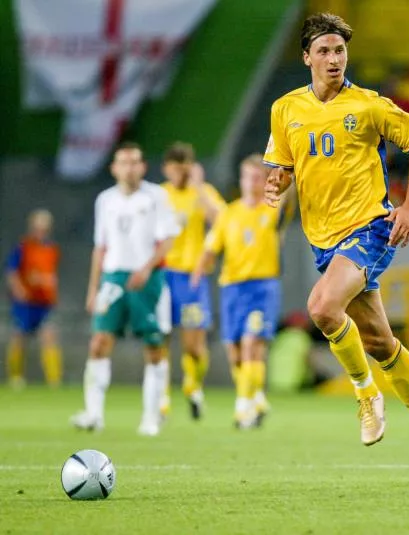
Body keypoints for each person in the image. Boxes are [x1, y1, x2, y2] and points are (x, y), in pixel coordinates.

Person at [262, 12, 409, 484]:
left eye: (340, 50)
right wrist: (277, 183)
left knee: (324, 307)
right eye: (324, 51)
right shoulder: (285, 109)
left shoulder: (370, 105)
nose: (333, 59)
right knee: (379, 341)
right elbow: (285, 165)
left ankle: (365, 393)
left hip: (370, 228)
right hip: (324, 241)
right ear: (306, 57)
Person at [71, 142, 180, 436]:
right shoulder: (105, 200)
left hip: (148, 279)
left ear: (143, 167)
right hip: (112, 279)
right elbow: (100, 247)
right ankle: (93, 415)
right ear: (114, 168)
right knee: (99, 343)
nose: (129, 168)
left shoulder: (156, 196)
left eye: (134, 162)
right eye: (123, 162)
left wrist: (146, 268)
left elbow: (169, 239)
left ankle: (150, 418)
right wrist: (93, 288)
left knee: (154, 347)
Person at [192, 154, 286, 429]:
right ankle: (256, 397)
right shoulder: (229, 214)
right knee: (233, 351)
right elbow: (211, 248)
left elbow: (288, 197)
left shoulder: (272, 209)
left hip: (262, 287)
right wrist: (198, 273)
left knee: (251, 344)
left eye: (258, 177)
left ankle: (242, 408)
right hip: (232, 288)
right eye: (249, 177)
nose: (253, 182)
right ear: (242, 180)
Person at [161, 142, 225, 419]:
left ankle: (192, 385)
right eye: (176, 170)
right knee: (159, 339)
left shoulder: (203, 193)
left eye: (185, 170)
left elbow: (223, 220)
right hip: (163, 275)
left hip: (192, 278)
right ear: (167, 169)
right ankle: (160, 399)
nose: (181, 176)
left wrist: (199, 187)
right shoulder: (159, 196)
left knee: (194, 346)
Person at [4, 209, 62, 388]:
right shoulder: (23, 247)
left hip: (44, 302)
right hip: (25, 303)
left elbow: (50, 273)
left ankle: (54, 381)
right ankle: (15, 378)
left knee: (49, 336)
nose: (42, 231)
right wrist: (19, 289)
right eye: (39, 227)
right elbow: (11, 271)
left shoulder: (52, 249)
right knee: (19, 337)